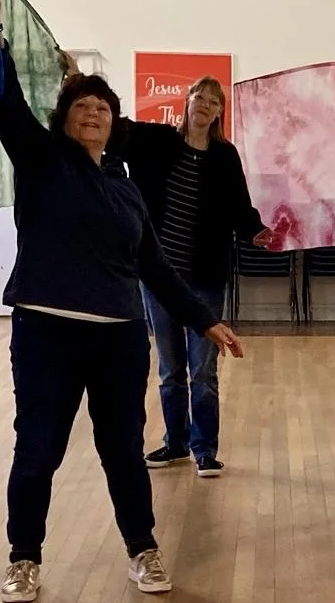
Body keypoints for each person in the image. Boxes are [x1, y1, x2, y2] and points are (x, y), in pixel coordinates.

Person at [0, 0, 243, 603]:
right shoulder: (41, 161)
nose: (94, 114)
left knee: (123, 448)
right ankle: (24, 558)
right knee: (38, 448)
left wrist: (204, 320)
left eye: (103, 108)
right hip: (46, 332)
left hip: (118, 339)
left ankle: (142, 549)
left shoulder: (126, 190)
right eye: (83, 106)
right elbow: (6, 102)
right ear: (64, 119)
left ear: (113, 124)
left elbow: (154, 265)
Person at [108, 73, 273, 477]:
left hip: (205, 278)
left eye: (214, 102)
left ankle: (205, 449)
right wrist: (79, 83)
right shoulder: (157, 141)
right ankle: (176, 443)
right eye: (200, 98)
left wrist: (256, 231)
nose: (205, 106)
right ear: (187, 101)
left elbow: (239, 206)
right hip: (160, 279)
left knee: (203, 369)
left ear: (219, 113)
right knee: (170, 368)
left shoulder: (225, 156)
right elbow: (117, 129)